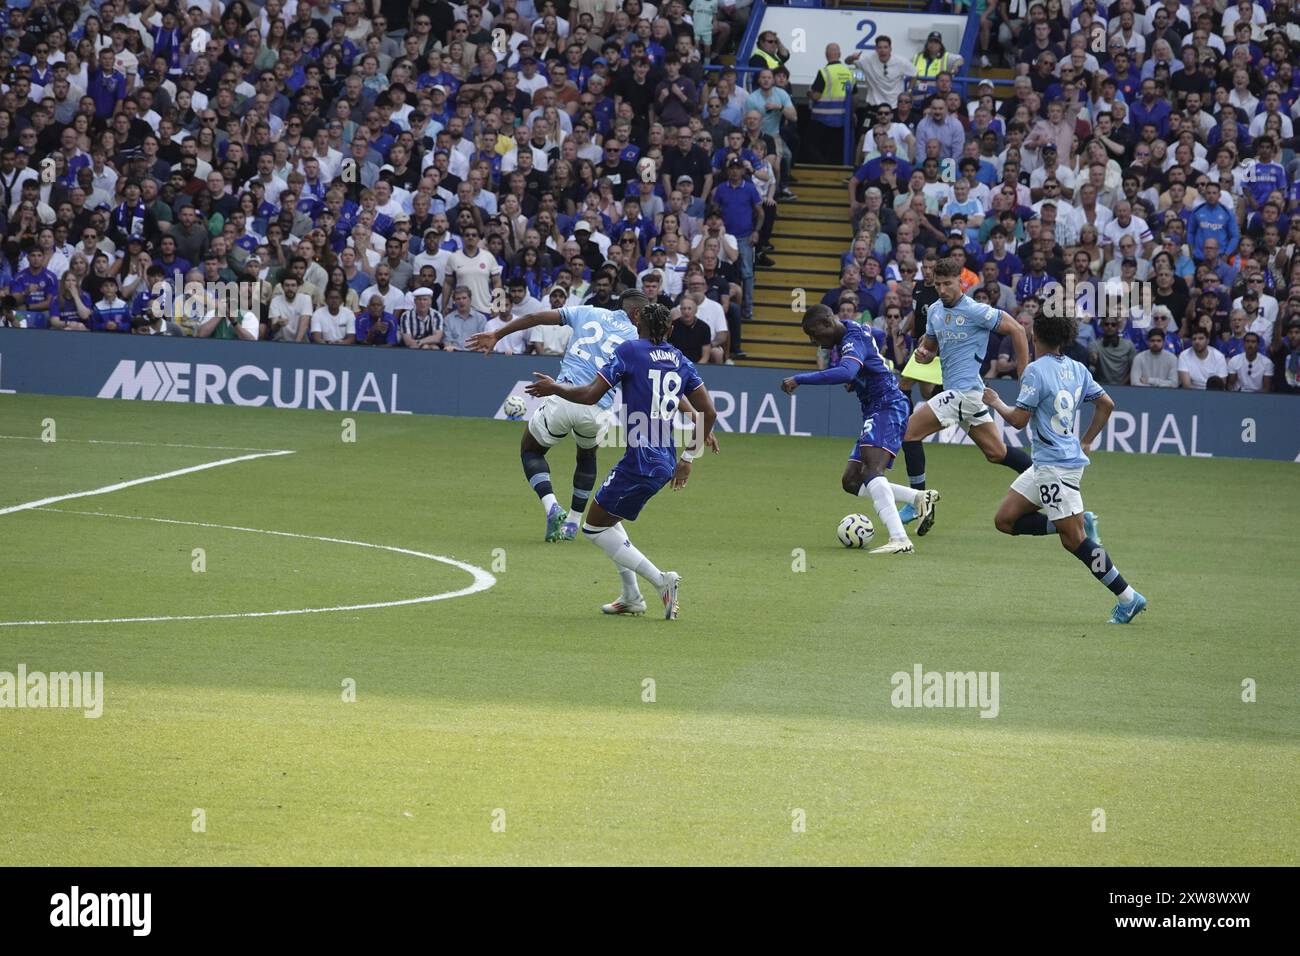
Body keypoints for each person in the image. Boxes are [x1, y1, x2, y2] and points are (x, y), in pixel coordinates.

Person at [525, 303, 720, 620]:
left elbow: (590, 395)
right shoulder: (680, 360)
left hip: (639, 462)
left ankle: (661, 581)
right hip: (665, 459)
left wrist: (554, 387)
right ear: (670, 331)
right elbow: (708, 413)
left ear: (639, 322)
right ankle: (631, 597)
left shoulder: (630, 351)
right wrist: (688, 459)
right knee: (609, 519)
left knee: (592, 529)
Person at [983, 310, 1147, 625]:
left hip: (1054, 468)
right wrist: (1086, 441)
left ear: (1036, 336)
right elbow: (1106, 405)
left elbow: (1018, 420)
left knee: (1074, 541)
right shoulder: (1077, 368)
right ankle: (1074, 520)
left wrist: (995, 402)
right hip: (1050, 463)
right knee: (1005, 520)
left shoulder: (1034, 370)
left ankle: (1127, 597)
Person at [467, 291, 644, 542]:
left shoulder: (588, 311)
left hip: (563, 397)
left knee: (530, 450)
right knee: (586, 456)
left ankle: (552, 507)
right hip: (595, 408)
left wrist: (498, 334)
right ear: (636, 313)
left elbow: (534, 316)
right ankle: (573, 523)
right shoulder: (637, 339)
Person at [780, 305, 940, 555]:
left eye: (814, 333)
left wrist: (800, 379)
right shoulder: (851, 331)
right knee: (852, 480)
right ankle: (918, 498)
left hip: (887, 405)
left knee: (873, 469)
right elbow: (868, 355)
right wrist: (859, 380)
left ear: (827, 322)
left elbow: (846, 370)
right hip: (876, 407)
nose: (813, 341)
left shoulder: (851, 337)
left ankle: (900, 539)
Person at [902, 257, 1034, 505]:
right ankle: (1047, 480)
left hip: (963, 394)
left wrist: (1023, 373)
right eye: (938, 285)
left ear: (960, 283)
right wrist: (923, 355)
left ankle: (917, 503)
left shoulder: (976, 310)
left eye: (947, 284)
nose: (942, 290)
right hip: (969, 394)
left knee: (908, 434)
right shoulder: (934, 311)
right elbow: (929, 348)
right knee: (997, 453)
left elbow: (1017, 329)